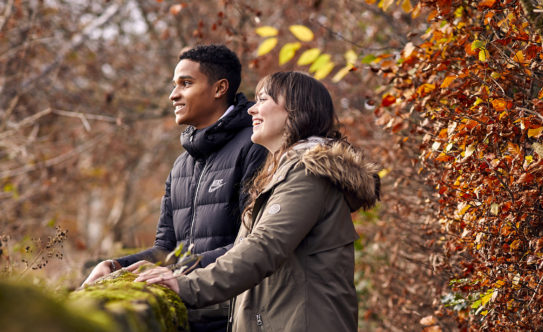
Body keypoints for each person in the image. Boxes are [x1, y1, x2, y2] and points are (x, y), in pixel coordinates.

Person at [134, 71, 380, 331]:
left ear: (296, 110)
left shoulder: (307, 173)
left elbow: (263, 249)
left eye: (263, 99)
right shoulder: (281, 173)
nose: (252, 109)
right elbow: (255, 287)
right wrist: (173, 284)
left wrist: (185, 285)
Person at [82, 44, 267, 332]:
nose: (173, 95)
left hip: (237, 318)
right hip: (186, 317)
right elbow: (167, 250)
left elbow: (254, 244)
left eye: (186, 83)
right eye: (174, 85)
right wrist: (115, 266)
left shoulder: (255, 148)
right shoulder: (182, 164)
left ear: (220, 88)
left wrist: (177, 272)